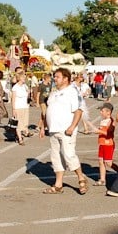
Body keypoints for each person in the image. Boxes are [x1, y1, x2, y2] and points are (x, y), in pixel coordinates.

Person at [40, 67, 88, 195]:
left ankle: (81, 178)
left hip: (66, 129)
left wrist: (72, 126)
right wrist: (43, 126)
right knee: (56, 157)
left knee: (69, 155)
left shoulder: (72, 91)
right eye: (54, 77)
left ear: (65, 78)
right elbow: (46, 111)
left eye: (57, 77)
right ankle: (58, 184)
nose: (55, 79)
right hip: (53, 130)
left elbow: (78, 110)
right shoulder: (54, 93)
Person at [94, 102, 118, 186]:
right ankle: (102, 180)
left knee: (108, 163)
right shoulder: (103, 120)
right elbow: (101, 131)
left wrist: (99, 131)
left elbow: (108, 132)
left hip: (108, 144)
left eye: (102, 111)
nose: (100, 112)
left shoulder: (110, 121)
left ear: (108, 112)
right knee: (101, 161)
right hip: (102, 143)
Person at [11, 72, 30, 144]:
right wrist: (13, 109)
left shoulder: (25, 86)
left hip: (25, 106)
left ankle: (22, 134)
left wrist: (28, 93)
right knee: (18, 123)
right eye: (23, 77)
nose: (24, 78)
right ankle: (19, 139)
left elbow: (27, 97)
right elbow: (13, 99)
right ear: (19, 78)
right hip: (18, 107)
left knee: (24, 123)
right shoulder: (15, 87)